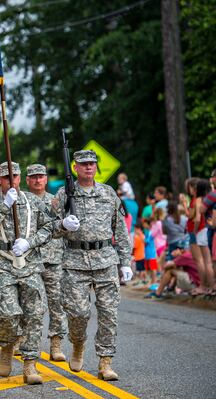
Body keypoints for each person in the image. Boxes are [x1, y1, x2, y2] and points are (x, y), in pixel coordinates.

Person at [52, 150, 132, 381]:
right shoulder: (65, 194)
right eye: (83, 164)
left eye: (92, 164)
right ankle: (77, 344)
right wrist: (63, 226)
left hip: (106, 261)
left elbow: (120, 230)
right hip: (75, 262)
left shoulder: (108, 194)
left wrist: (125, 262)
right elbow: (49, 228)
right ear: (75, 167)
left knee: (109, 314)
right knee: (78, 314)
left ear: (96, 167)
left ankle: (105, 362)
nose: (88, 167)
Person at [0, 161, 55, 384]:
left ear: (20, 178)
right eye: (6, 178)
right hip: (3, 265)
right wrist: (3, 206)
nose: (11, 181)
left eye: (15, 177)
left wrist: (30, 242)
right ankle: (7, 345)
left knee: (34, 316)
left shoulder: (32, 200)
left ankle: (30, 364)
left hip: (29, 264)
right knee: (8, 314)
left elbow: (50, 227)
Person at [25, 164, 67, 362]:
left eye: (41, 176)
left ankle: (56, 343)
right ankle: (26, 341)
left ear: (46, 179)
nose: (38, 180)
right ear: (27, 180)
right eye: (33, 177)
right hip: (30, 260)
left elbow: (65, 229)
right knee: (31, 305)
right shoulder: (22, 201)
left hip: (53, 259)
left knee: (57, 303)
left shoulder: (56, 202)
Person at [180, 178, 213, 294]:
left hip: (197, 230)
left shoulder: (197, 199)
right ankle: (209, 286)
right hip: (203, 229)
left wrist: (184, 204)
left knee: (201, 261)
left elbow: (194, 217)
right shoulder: (206, 198)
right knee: (206, 260)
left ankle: (204, 286)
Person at [142, 217, 158, 286]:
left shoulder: (150, 232)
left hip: (151, 253)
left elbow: (146, 241)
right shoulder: (147, 232)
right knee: (150, 268)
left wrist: (142, 239)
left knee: (153, 268)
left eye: (145, 224)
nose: (143, 225)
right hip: (148, 252)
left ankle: (154, 281)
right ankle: (152, 281)